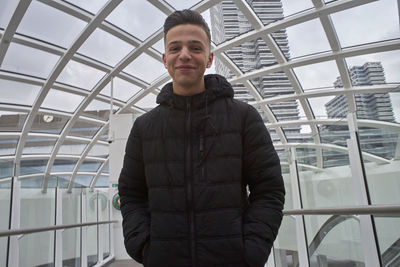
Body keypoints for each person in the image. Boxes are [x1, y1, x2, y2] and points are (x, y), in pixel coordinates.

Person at [118, 9, 285, 267]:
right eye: (175, 48)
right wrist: (143, 246)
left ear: (209, 59)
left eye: (195, 47)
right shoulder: (144, 128)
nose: (184, 54)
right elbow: (131, 193)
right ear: (165, 59)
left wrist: (251, 252)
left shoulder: (243, 118)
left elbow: (269, 189)